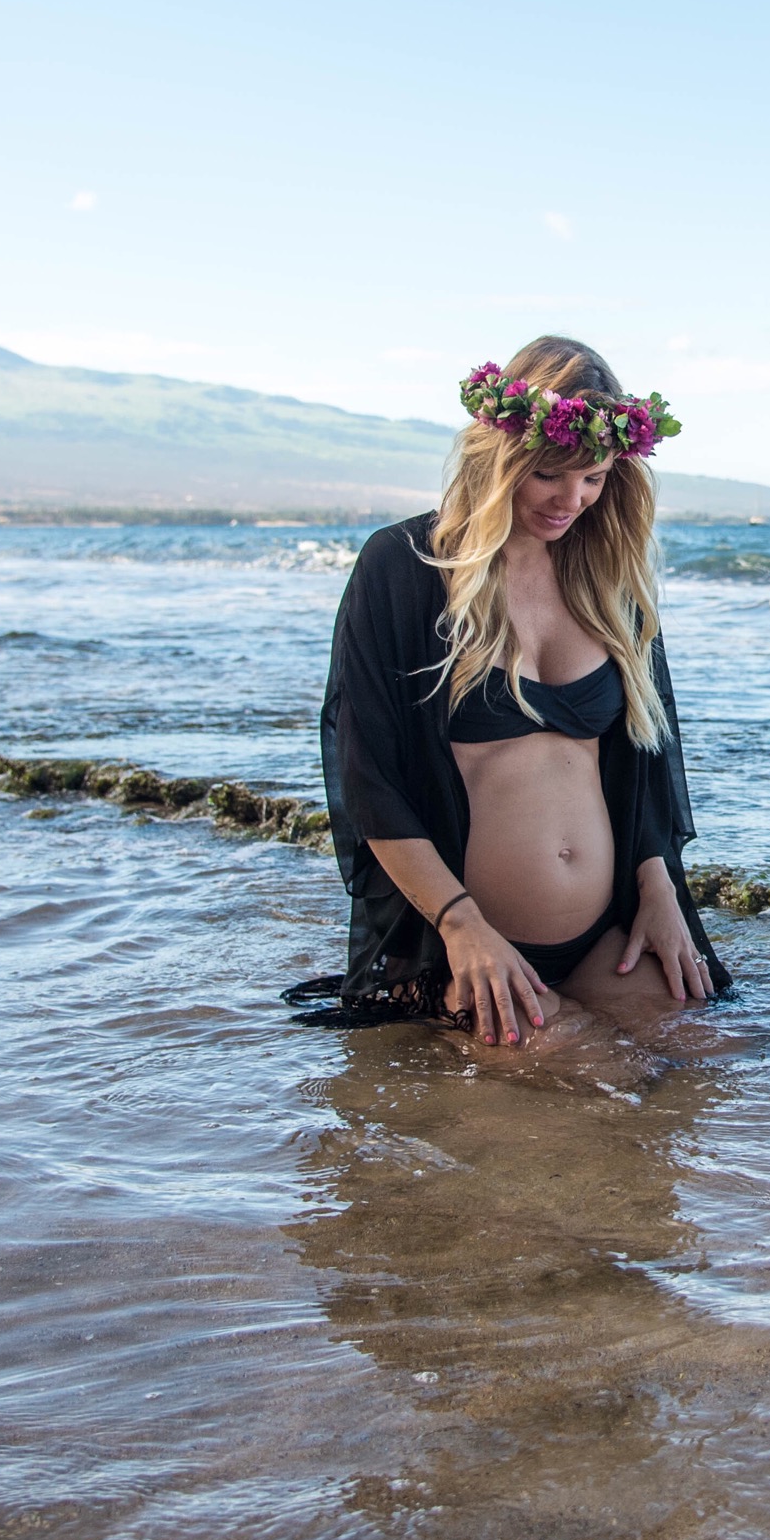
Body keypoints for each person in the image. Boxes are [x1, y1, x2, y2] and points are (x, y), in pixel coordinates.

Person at [313, 336, 731, 1046]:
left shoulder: (608, 580)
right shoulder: (406, 567)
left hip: (608, 934)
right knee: (591, 1071)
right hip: (466, 940)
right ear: (500, 454)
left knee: (711, 1064)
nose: (573, 500)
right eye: (548, 474)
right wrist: (460, 925)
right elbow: (369, 778)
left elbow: (644, 761)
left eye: (594, 478)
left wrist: (658, 886)